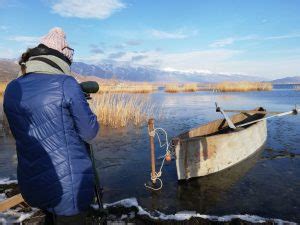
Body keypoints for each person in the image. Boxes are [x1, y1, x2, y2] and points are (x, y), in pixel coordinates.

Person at [3, 27, 99, 225]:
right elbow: (90, 132)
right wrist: (82, 101)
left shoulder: (13, 88)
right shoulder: (66, 84)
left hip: (33, 179)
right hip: (69, 186)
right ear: (61, 57)